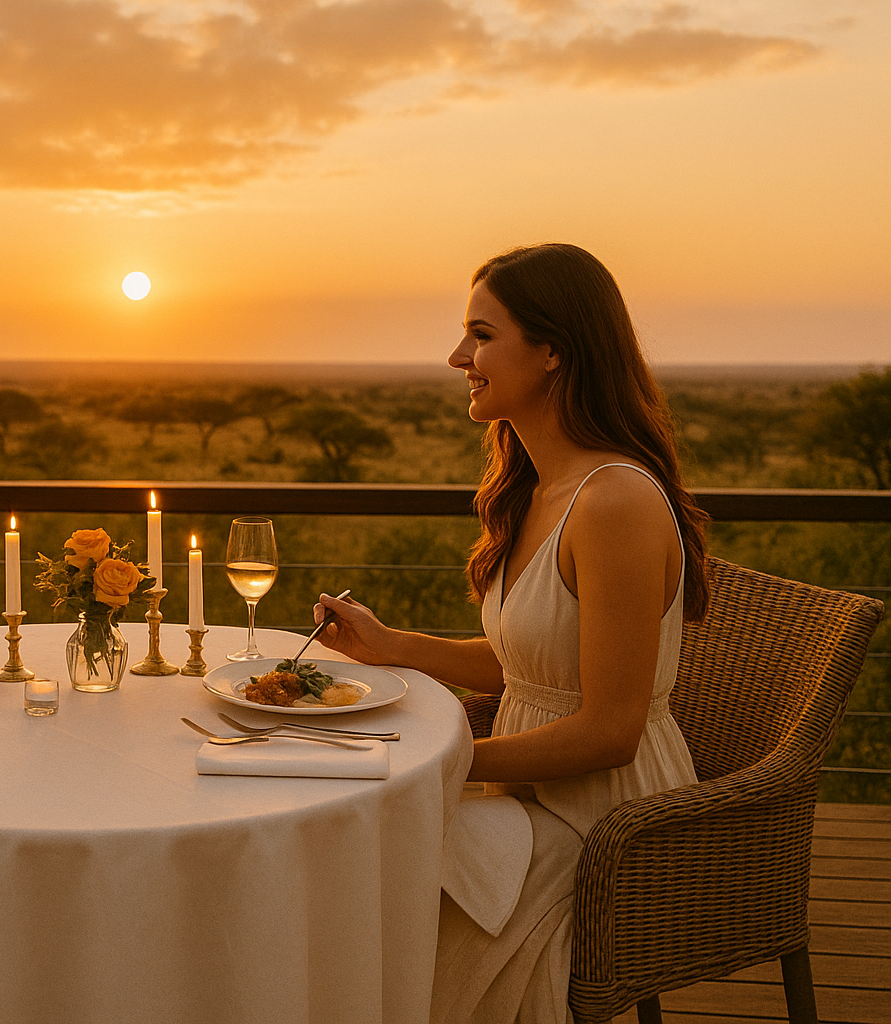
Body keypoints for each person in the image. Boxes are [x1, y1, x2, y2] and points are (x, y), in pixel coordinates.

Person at [314, 243, 708, 1023]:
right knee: (359, 855)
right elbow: (532, 667)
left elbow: (610, 732)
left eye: (482, 335)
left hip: (607, 824)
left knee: (379, 870)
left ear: (553, 349)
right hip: (524, 793)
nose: (458, 356)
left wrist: (436, 761)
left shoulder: (614, 502)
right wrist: (392, 646)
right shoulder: (538, 488)